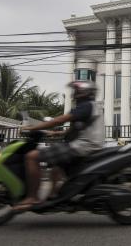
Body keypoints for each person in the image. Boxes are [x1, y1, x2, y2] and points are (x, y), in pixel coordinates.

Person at [13, 80, 104, 211]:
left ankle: (32, 197)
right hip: (87, 145)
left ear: (84, 92)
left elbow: (60, 119)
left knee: (31, 157)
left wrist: (32, 128)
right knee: (56, 165)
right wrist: (56, 133)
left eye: (76, 91)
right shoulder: (91, 107)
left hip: (81, 147)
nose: (74, 94)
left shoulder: (87, 106)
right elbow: (78, 129)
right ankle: (53, 195)